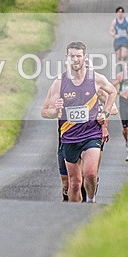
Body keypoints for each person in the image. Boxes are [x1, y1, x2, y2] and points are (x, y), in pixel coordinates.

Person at [41, 41, 116, 203]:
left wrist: (105, 113)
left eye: (78, 56)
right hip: (69, 137)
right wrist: (55, 111)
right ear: (67, 58)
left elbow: (112, 93)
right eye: (72, 56)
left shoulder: (95, 79)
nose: (75, 59)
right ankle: (74, 214)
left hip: (91, 134)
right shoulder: (59, 83)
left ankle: (91, 201)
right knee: (73, 184)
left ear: (85, 57)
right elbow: (45, 111)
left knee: (89, 174)